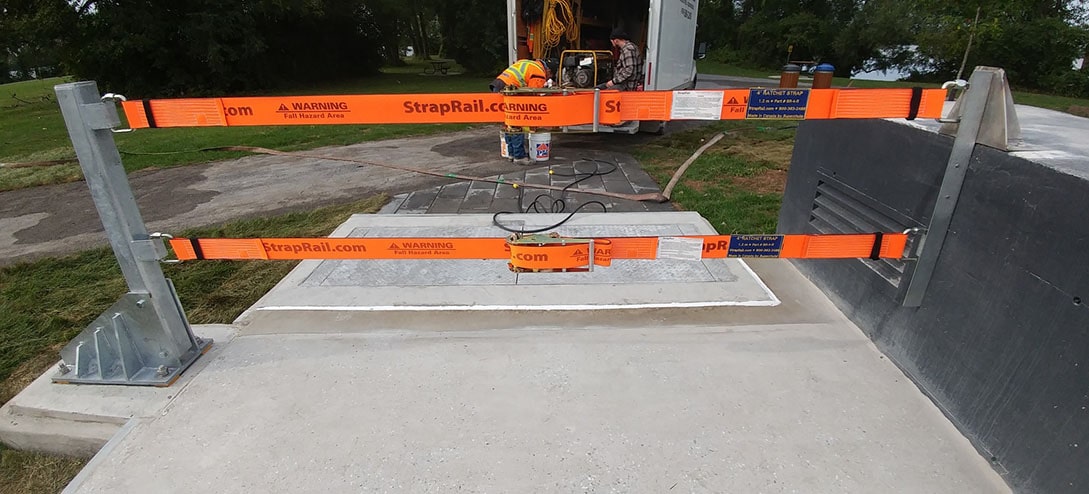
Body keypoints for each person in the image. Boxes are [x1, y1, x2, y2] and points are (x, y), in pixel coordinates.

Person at [490, 59, 555, 164]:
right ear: (548, 70)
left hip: (499, 85)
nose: (548, 78)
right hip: (510, 90)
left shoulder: (529, 63)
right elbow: (532, 94)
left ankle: (512, 153)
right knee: (517, 122)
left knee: (509, 122)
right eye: (550, 76)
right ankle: (519, 156)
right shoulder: (539, 73)